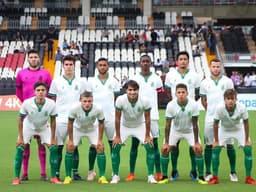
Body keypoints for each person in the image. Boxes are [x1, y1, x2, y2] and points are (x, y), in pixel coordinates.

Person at [12, 82, 61, 185]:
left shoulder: (51, 104)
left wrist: (53, 138)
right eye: (38, 90)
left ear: (46, 92)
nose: (40, 92)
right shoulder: (27, 103)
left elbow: (53, 120)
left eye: (43, 90)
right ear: (34, 92)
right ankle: (16, 177)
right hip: (28, 126)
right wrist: (20, 137)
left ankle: (53, 177)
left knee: (53, 148)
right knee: (20, 147)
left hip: (43, 127)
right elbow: (20, 119)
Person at [158, 83, 207, 185]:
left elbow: (195, 124)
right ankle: (165, 176)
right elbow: (167, 126)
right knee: (164, 150)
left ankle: (200, 176)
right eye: (179, 92)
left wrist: (196, 142)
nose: (181, 94)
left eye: (183, 92)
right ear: (175, 94)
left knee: (198, 149)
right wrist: (166, 142)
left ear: (187, 93)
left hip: (189, 131)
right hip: (175, 130)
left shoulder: (193, 105)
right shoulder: (171, 105)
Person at [110, 80, 157, 184]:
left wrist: (147, 135)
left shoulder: (145, 100)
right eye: (130, 90)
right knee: (115, 146)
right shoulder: (120, 100)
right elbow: (117, 118)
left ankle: (150, 176)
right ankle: (116, 175)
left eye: (134, 90)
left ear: (138, 90)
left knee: (149, 146)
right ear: (126, 90)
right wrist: (117, 136)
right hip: (124, 125)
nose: (132, 92)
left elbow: (148, 118)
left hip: (140, 125)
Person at [49, 55, 87, 180]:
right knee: (59, 147)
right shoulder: (56, 81)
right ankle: (57, 173)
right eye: (66, 64)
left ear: (74, 66)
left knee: (74, 147)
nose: (69, 67)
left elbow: (84, 100)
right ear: (63, 66)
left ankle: (75, 173)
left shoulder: (81, 82)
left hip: (76, 120)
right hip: (60, 119)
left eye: (71, 64)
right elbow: (53, 100)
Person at [16, 49, 52, 181]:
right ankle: (24, 173)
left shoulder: (46, 74)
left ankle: (43, 173)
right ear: (28, 59)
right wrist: (26, 105)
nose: (33, 59)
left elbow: (50, 92)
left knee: (41, 143)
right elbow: (18, 91)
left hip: (42, 112)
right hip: (28, 112)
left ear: (39, 59)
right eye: (31, 57)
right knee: (25, 143)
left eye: (35, 57)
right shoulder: (21, 73)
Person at [164, 51, 201, 181]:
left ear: (188, 61)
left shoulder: (195, 76)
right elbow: (168, 91)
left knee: (194, 145)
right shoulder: (170, 75)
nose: (183, 61)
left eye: (185, 59)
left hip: (190, 112)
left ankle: (193, 171)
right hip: (176, 112)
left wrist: (189, 105)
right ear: (177, 61)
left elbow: (197, 93)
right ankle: (174, 170)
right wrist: (175, 103)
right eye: (181, 59)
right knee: (174, 145)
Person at [126, 55, 163, 181]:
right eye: (143, 61)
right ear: (139, 63)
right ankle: (131, 173)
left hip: (153, 117)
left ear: (151, 63)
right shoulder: (135, 78)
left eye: (147, 61)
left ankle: (158, 172)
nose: (145, 63)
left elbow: (161, 96)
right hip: (138, 117)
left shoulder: (157, 79)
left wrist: (155, 107)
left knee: (155, 145)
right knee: (134, 145)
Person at [208, 89, 256, 185]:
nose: (230, 101)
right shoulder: (219, 108)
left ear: (236, 99)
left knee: (247, 149)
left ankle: (248, 177)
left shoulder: (242, 107)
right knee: (216, 149)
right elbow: (215, 124)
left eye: (232, 99)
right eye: (228, 99)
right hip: (224, 129)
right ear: (224, 100)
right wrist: (216, 141)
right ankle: (215, 177)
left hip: (238, 128)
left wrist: (246, 140)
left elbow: (246, 123)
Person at [200, 58, 235, 181]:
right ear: (210, 67)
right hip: (210, 118)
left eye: (218, 66)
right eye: (213, 66)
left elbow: (232, 98)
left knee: (230, 144)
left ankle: (233, 172)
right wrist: (210, 111)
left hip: (226, 118)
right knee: (209, 145)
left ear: (221, 67)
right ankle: (208, 172)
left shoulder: (228, 81)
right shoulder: (204, 83)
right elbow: (203, 101)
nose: (216, 69)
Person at [63, 91, 108, 184]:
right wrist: (70, 140)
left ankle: (102, 176)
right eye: (84, 101)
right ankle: (68, 176)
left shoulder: (98, 108)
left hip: (92, 129)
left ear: (92, 100)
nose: (87, 103)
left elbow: (101, 123)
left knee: (100, 148)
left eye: (89, 101)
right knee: (70, 147)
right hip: (77, 129)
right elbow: (70, 123)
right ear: (80, 100)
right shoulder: (74, 108)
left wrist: (100, 140)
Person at [86, 57, 120, 181]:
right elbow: (88, 99)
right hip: (95, 117)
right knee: (93, 145)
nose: (102, 67)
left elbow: (117, 98)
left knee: (113, 144)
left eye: (104, 65)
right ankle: (91, 171)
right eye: (100, 65)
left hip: (110, 116)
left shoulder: (114, 81)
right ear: (97, 67)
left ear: (108, 67)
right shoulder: (91, 81)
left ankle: (114, 172)